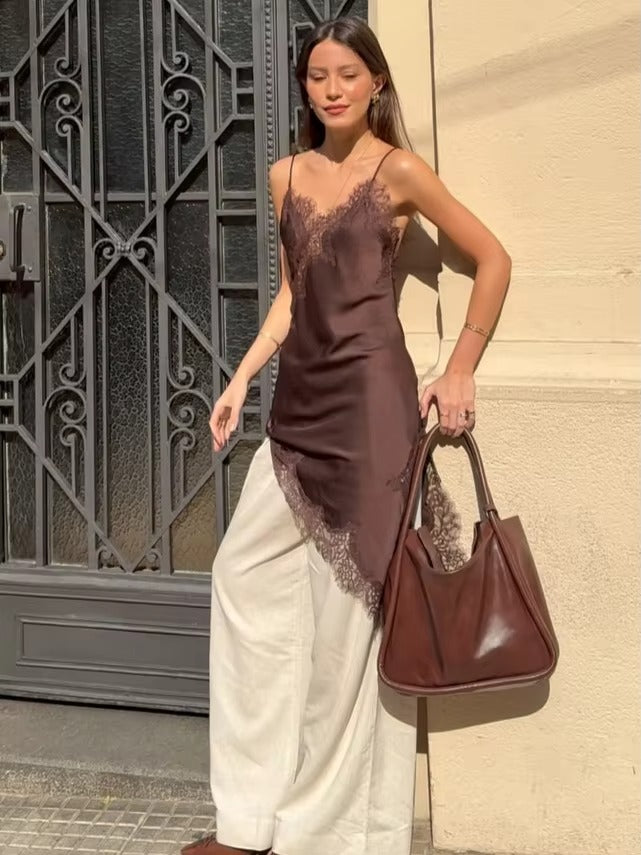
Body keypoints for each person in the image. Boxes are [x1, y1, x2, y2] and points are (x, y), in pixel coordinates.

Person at [181, 15, 511, 855]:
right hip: (298, 410)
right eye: (317, 75)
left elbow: (492, 257)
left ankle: (322, 831)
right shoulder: (285, 174)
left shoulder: (397, 169)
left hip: (371, 413)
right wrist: (240, 377)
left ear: (375, 82)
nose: (331, 89)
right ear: (303, 85)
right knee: (240, 576)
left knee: (343, 631)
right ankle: (249, 814)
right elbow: (294, 295)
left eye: (347, 74)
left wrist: (459, 367)